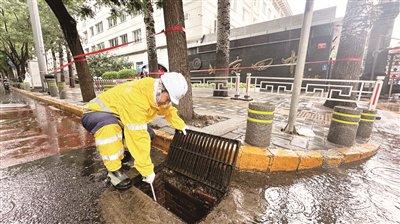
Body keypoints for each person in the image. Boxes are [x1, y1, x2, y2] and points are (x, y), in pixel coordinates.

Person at [81, 72, 187, 190]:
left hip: (118, 115)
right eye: (168, 98)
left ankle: (122, 152)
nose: (167, 102)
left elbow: (167, 109)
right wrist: (146, 170)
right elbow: (138, 137)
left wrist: (180, 125)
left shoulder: (154, 92)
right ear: (162, 89)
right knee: (110, 129)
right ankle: (113, 170)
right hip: (95, 113)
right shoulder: (137, 98)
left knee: (149, 134)